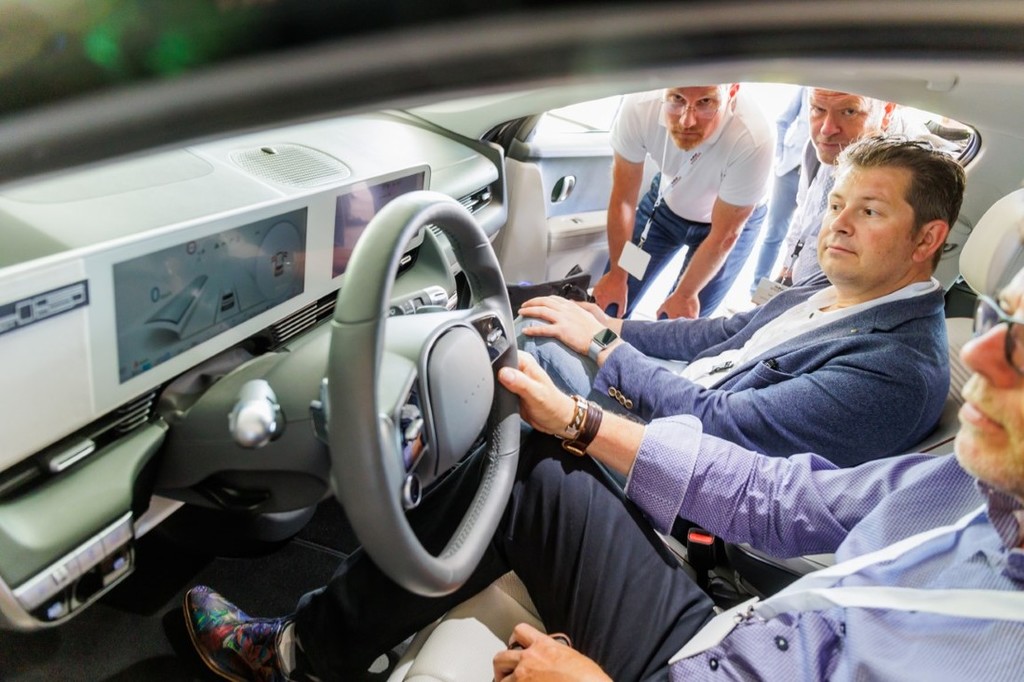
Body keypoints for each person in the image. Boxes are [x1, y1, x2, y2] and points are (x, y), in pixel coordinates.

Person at [182, 162, 1024, 681]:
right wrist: (595, 374)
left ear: (928, 238)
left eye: (1020, 351)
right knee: (533, 440)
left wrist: (605, 360)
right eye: (1001, 324)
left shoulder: (902, 369)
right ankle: (314, 640)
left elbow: (731, 429)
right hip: (744, 629)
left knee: (515, 374)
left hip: (713, 597)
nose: (985, 356)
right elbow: (776, 484)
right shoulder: (968, 482)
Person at [517, 135, 959, 464]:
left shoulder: (896, 370)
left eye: (870, 211)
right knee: (557, 318)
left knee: (535, 343)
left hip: (681, 451)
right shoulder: (840, 285)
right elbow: (730, 330)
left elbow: (723, 424)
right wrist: (616, 324)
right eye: (835, 205)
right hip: (693, 384)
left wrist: (606, 344)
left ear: (926, 239)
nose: (838, 224)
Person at [591, 84, 773, 320]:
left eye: (705, 102)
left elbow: (724, 236)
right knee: (610, 306)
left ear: (732, 91)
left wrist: (685, 294)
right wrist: (617, 274)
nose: (687, 121)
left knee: (677, 323)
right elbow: (623, 200)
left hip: (723, 230)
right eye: (677, 98)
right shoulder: (640, 104)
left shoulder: (752, 138)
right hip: (664, 209)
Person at [774, 88, 895, 287]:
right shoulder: (815, 150)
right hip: (796, 283)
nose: (826, 129)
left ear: (887, 111)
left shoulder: (895, 180)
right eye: (818, 109)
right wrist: (786, 269)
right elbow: (804, 213)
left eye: (849, 112)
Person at [749, 86, 809, 296]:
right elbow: (782, 121)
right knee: (774, 233)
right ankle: (756, 292)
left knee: (802, 240)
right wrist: (780, 155)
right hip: (788, 170)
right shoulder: (807, 87)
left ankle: (782, 293)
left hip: (816, 178)